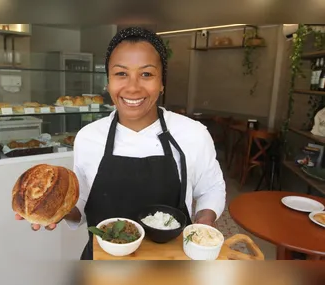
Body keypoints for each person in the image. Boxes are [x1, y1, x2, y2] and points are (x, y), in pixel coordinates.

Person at [15, 27, 226, 260]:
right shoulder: (88, 137)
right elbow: (80, 206)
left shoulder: (192, 133)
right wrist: (56, 209)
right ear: (108, 82)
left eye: (146, 74)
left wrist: (204, 224)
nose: (133, 87)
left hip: (171, 263)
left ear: (162, 82)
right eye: (121, 74)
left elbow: (211, 188)